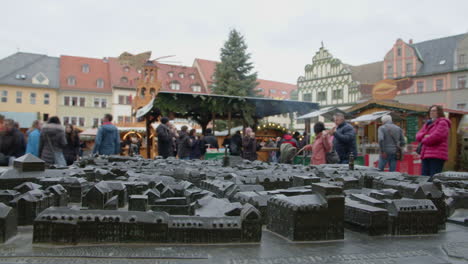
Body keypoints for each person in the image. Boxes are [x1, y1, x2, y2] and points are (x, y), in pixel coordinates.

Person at [416, 105, 451, 178]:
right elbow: (418, 136)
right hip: (425, 154)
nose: (432, 112)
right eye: (431, 111)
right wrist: (426, 136)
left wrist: (425, 138)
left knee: (434, 178)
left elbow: (436, 137)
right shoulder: (427, 123)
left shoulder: (443, 123)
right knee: (424, 178)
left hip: (437, 155)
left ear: (439, 112)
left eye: (434, 110)